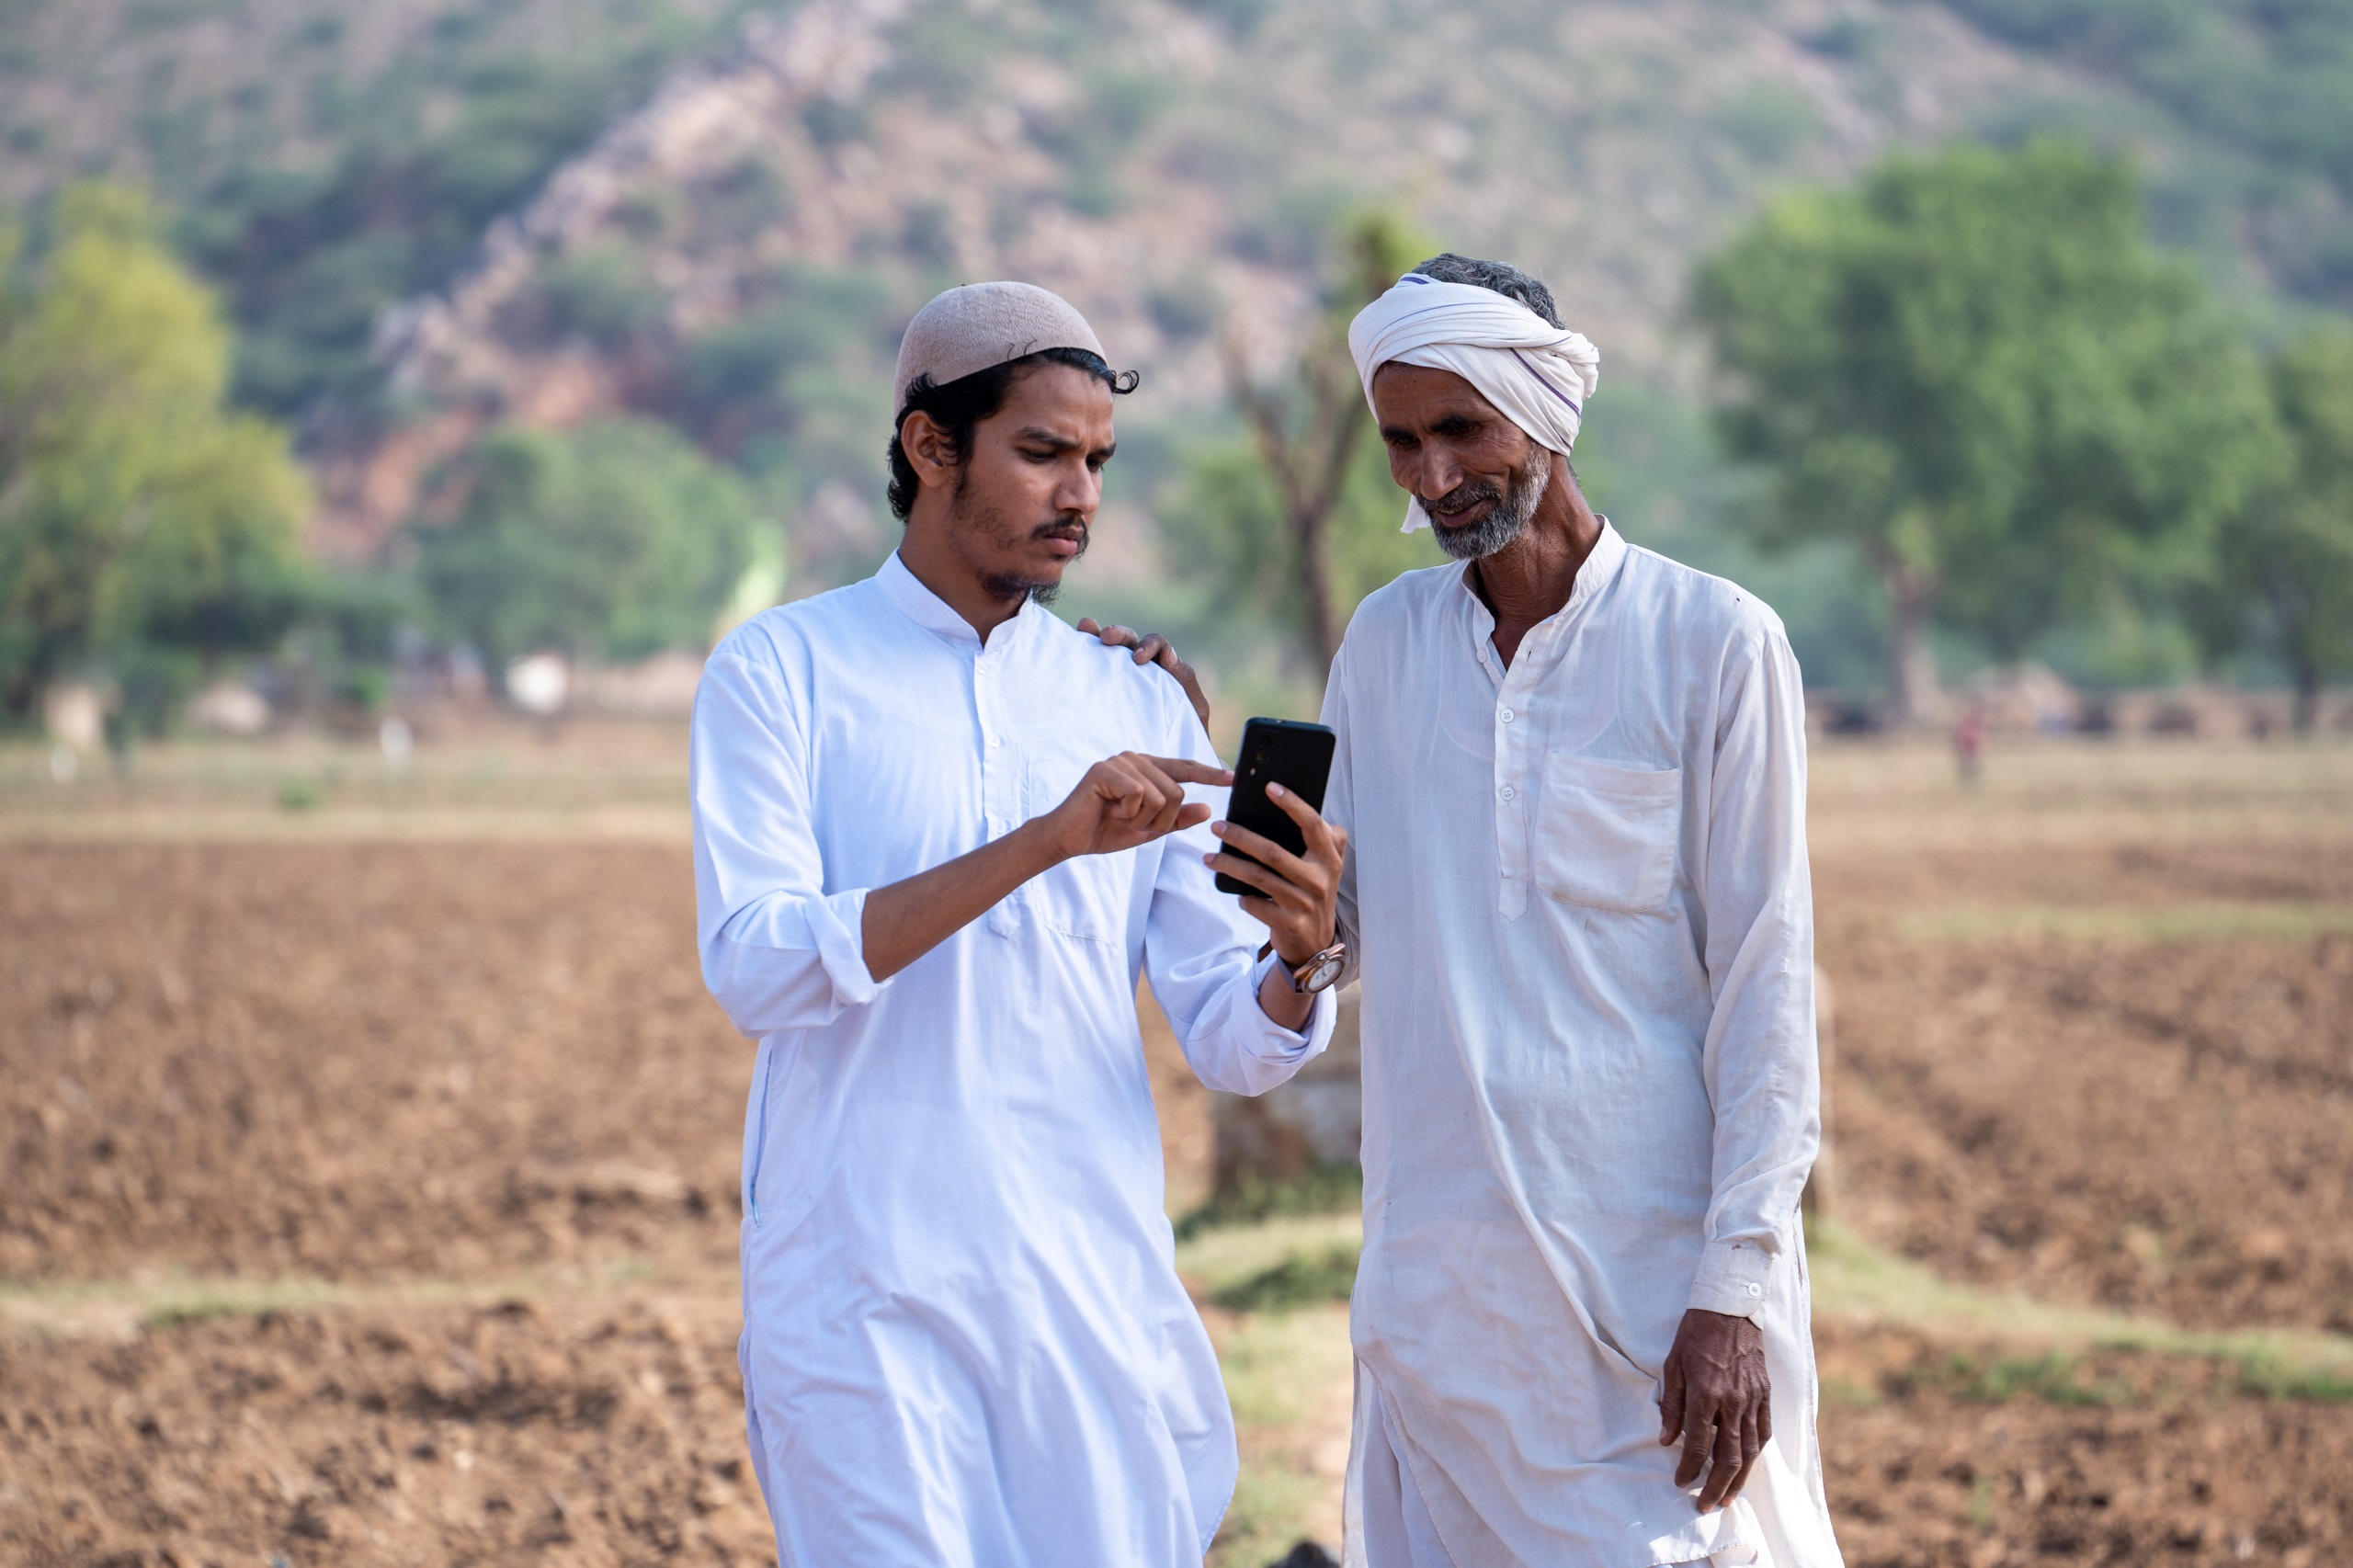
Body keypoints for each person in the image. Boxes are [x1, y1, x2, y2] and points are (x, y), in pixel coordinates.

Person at [690, 281, 1350, 1565]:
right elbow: (762, 969)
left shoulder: (1135, 699)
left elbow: (1227, 1033)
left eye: (1096, 460)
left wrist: (1296, 954)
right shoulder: (781, 673)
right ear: (930, 447)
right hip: (862, 1291)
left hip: (1082, 1290)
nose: (1082, 495)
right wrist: (1044, 841)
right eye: (1043, 452)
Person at [1331, 256, 1839, 1566]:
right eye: (1401, 440)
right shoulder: (1382, 650)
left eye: (1460, 431)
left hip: (1656, 1309)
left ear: (1547, 412)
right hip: (1441, 1307)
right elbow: (1344, 933)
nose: (1431, 477)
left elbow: (1766, 983)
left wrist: (1731, 1290)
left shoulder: (1715, 643)